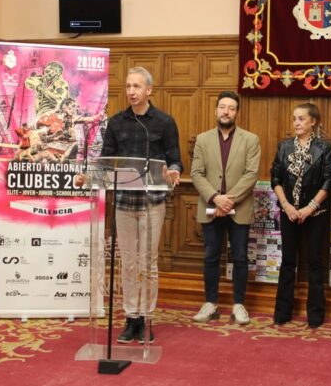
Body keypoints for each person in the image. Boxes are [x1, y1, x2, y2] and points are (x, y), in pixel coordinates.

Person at [101, 66, 182, 344]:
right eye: (128, 86)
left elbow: (174, 158)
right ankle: (130, 317)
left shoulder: (164, 122)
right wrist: (91, 175)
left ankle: (146, 318)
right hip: (124, 202)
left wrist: (173, 171)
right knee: (128, 262)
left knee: (147, 262)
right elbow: (105, 160)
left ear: (149, 89)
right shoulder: (116, 123)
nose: (132, 91)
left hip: (152, 202)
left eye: (137, 86)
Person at [190, 91, 261, 325]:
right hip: (210, 208)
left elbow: (251, 174)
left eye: (231, 108)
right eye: (222, 107)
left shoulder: (250, 139)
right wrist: (215, 198)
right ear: (216, 110)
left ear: (237, 112)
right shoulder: (202, 139)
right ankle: (210, 303)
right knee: (211, 256)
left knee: (240, 257)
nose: (226, 111)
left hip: (239, 209)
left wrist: (228, 200)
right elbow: (196, 173)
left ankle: (239, 305)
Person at [270, 103, 331, 328]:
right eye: (294, 119)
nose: (297, 123)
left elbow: (329, 180)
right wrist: (286, 205)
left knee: (315, 263)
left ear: (313, 122)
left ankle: (315, 316)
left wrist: (309, 208)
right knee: (288, 261)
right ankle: (282, 313)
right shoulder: (284, 147)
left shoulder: (324, 148)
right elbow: (276, 179)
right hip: (289, 212)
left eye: (301, 119)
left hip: (315, 213)